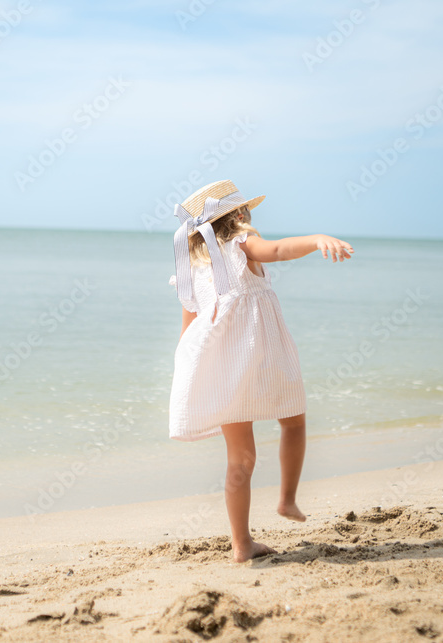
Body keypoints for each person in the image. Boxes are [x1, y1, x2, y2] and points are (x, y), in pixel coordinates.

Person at [168, 180, 354, 563]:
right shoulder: (242, 245)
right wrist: (317, 237)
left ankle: (241, 545)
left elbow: (188, 331)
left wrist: (191, 376)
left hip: (223, 366)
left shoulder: (194, 270)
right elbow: (279, 250)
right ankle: (286, 500)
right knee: (294, 421)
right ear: (239, 215)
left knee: (241, 459)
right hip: (264, 355)